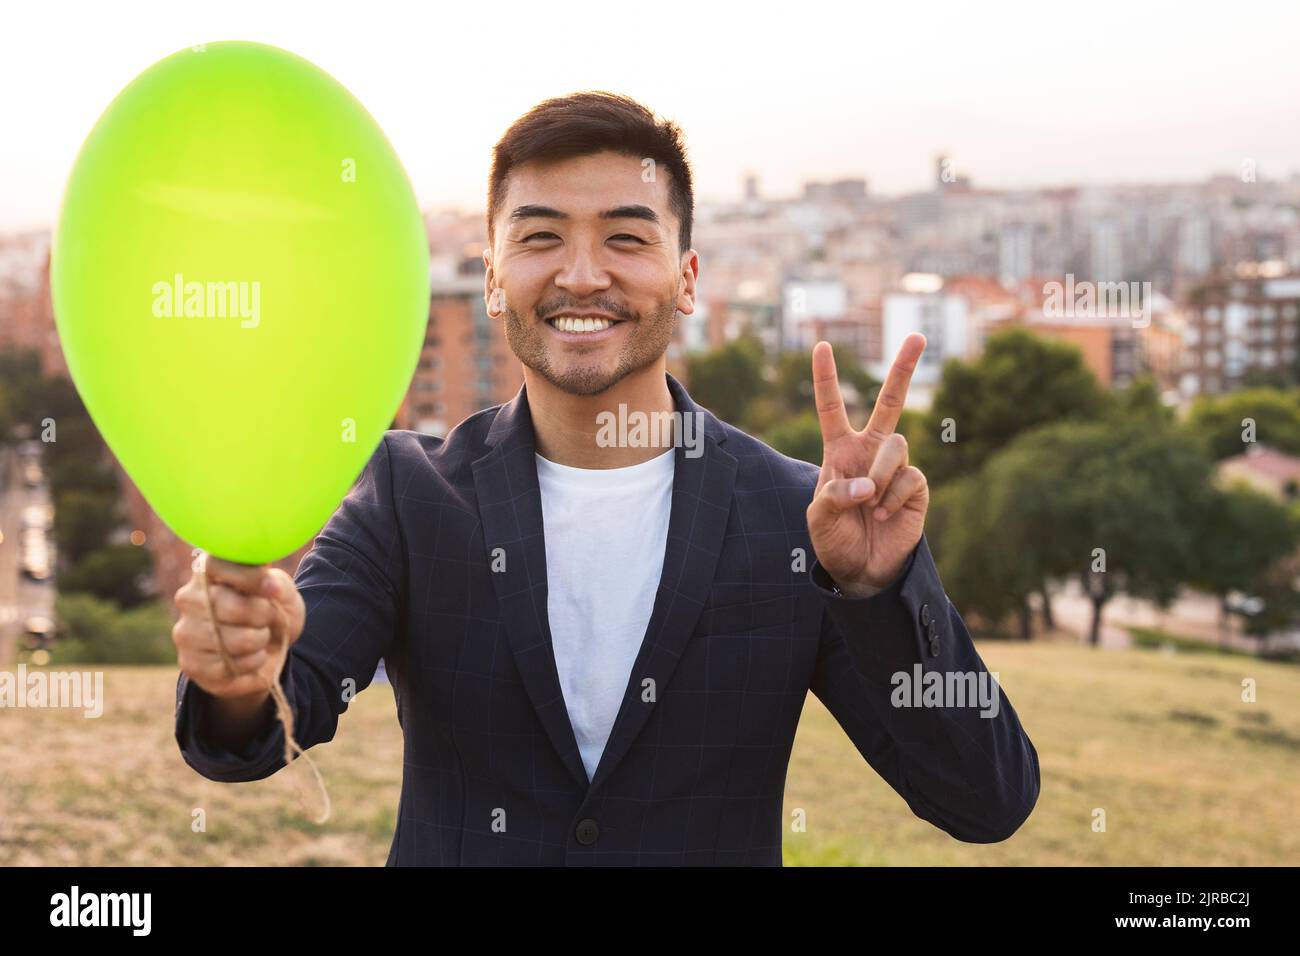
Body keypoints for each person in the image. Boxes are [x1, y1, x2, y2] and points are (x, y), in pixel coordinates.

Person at [172, 91, 1039, 865]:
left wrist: (882, 586)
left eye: (626, 238)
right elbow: (265, 720)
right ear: (494, 282)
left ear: (688, 278)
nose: (582, 275)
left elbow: (986, 800)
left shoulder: (797, 518)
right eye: (541, 236)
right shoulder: (408, 494)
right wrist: (239, 680)